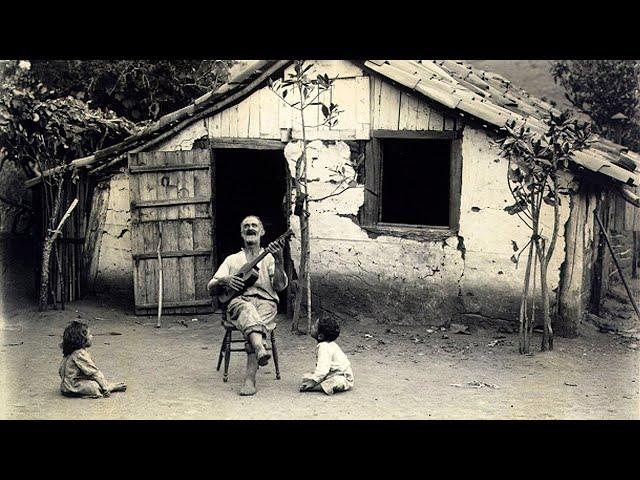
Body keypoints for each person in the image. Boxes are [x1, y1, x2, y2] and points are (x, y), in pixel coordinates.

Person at [207, 215, 288, 396]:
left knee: (254, 322)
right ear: (242, 233)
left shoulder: (270, 258)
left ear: (262, 231)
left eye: (254, 225)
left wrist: (279, 259)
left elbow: (280, 287)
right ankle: (259, 351)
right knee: (248, 311)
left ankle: (251, 376)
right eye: (246, 226)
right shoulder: (232, 260)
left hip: (266, 303)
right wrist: (224, 280)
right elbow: (211, 288)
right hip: (239, 303)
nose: (250, 228)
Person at [59, 320, 127, 398]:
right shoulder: (80, 354)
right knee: (94, 385)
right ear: (82, 339)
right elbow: (93, 372)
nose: (92, 336)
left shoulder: (70, 352)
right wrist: (105, 387)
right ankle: (109, 387)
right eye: (89, 334)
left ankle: (106, 385)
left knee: (93, 380)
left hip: (65, 386)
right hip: (73, 387)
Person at [300, 317, 354, 395]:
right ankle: (319, 383)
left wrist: (312, 383)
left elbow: (323, 369)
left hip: (343, 377)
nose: (312, 327)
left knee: (335, 382)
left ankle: (316, 387)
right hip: (332, 373)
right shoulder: (326, 344)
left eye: (315, 327)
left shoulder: (324, 347)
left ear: (320, 336)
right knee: (306, 377)